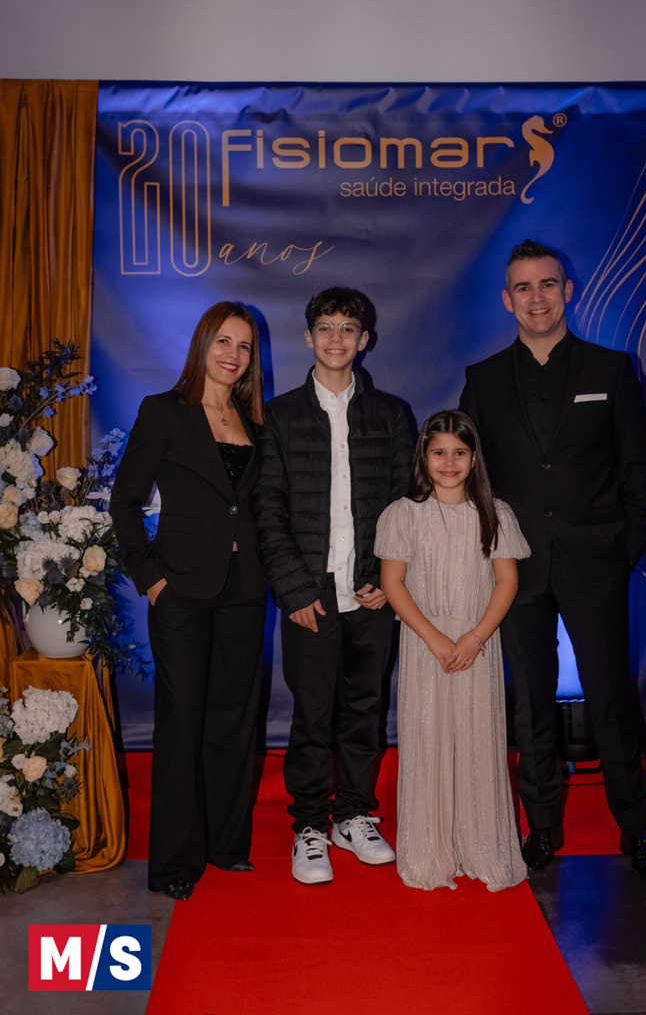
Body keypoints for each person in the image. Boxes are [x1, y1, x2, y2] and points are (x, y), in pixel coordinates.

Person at [459, 238, 646, 881]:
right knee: (531, 704)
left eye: (547, 284)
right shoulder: (483, 380)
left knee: (610, 699)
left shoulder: (611, 369)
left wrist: (624, 550)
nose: (537, 297)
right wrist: (487, 553)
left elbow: (639, 471)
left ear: (568, 290)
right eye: (523, 287)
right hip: (516, 570)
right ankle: (542, 826)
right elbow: (467, 477)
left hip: (595, 563)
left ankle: (635, 829)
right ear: (507, 300)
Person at [253, 286, 413, 884]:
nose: (336, 338)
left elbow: (406, 504)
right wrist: (295, 590)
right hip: (311, 595)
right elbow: (268, 509)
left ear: (364, 339)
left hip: (372, 593)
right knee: (313, 714)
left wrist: (387, 578)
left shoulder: (391, 415)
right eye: (325, 327)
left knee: (365, 711)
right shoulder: (279, 416)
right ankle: (310, 826)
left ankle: (353, 816)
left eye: (348, 327)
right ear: (308, 337)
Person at [110, 301, 267, 900]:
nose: (233, 354)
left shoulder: (255, 422)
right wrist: (151, 578)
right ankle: (175, 862)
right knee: (181, 722)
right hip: (180, 591)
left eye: (244, 346)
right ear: (202, 344)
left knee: (232, 720)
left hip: (244, 590)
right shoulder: (164, 411)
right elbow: (125, 503)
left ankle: (225, 846)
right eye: (223, 341)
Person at [375, 410, 529, 891]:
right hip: (426, 645)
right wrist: (435, 638)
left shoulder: (496, 513)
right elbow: (393, 584)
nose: (449, 462)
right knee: (428, 738)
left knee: (478, 738)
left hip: (477, 645)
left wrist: (475, 638)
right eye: (439, 452)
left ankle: (481, 843)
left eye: (459, 452)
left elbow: (506, 581)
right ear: (423, 456)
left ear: (474, 457)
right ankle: (430, 847)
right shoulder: (403, 514)